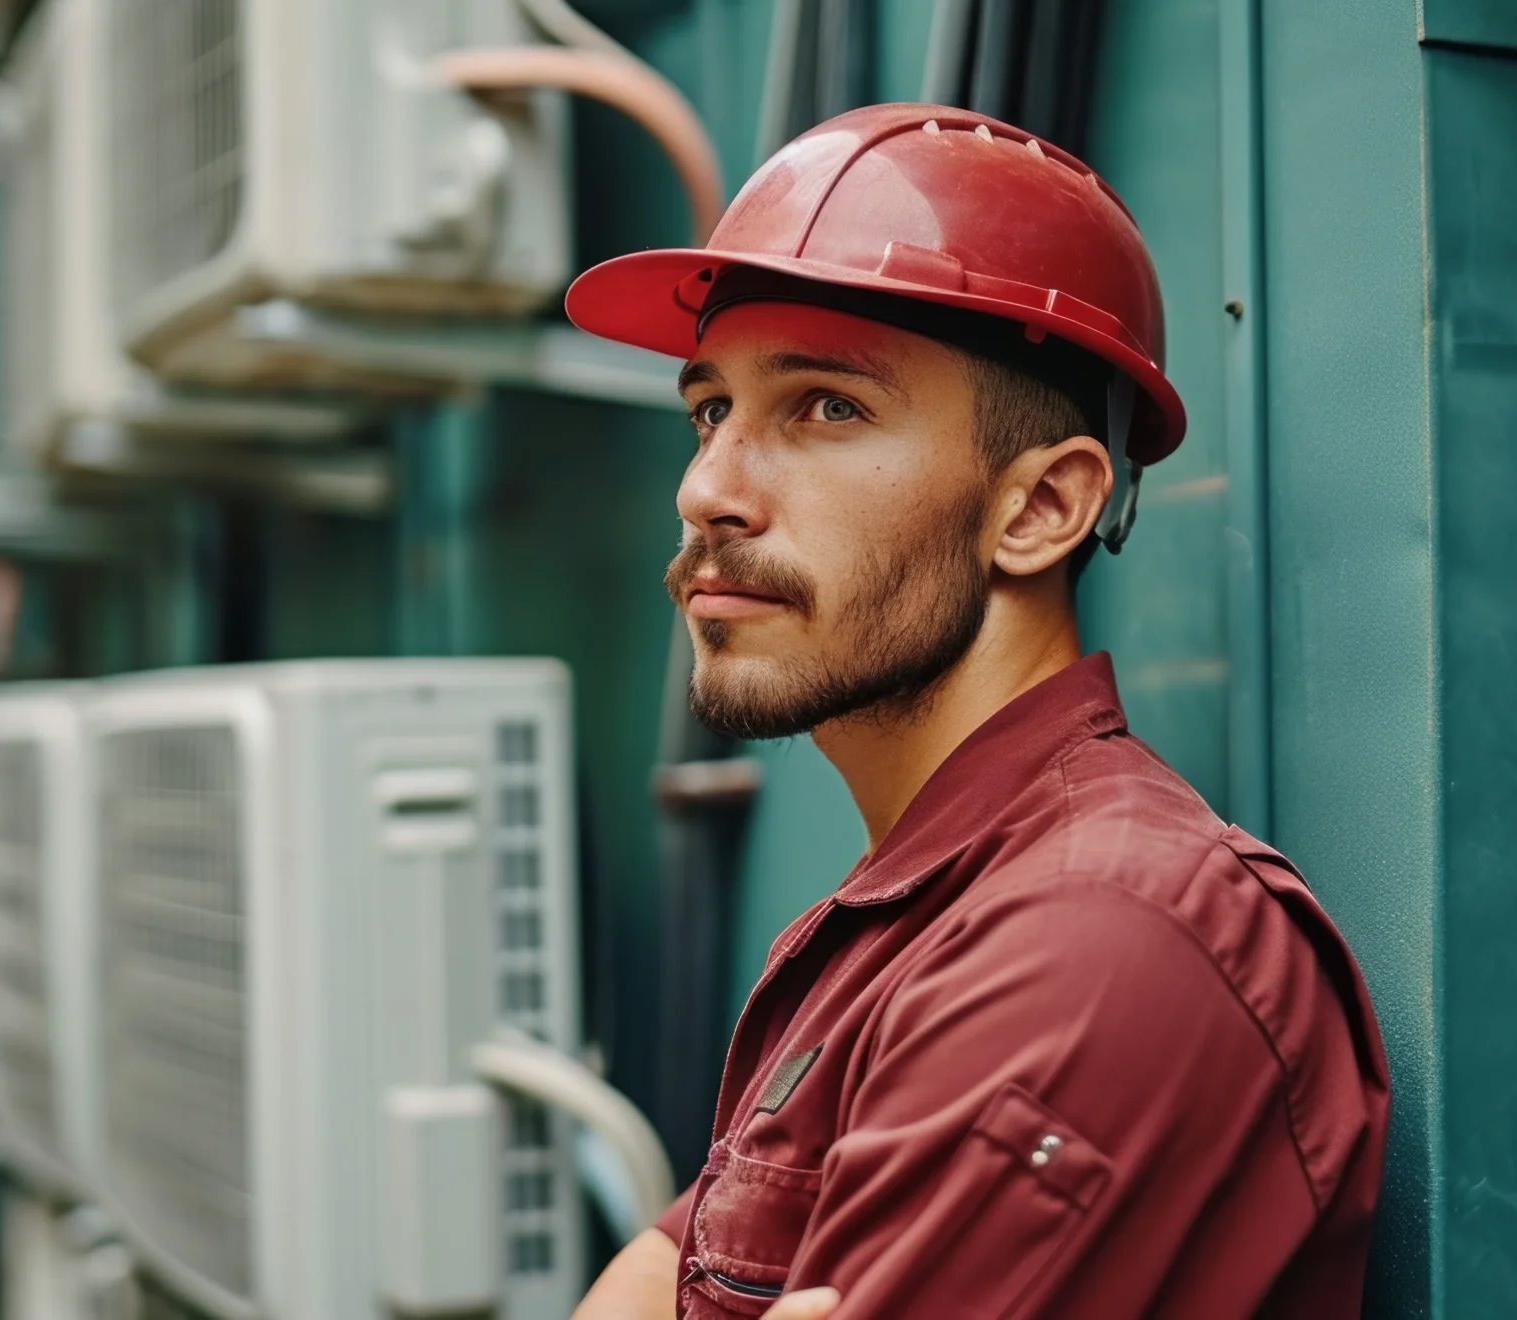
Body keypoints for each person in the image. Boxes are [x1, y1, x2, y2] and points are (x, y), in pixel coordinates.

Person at [562, 105, 1391, 1319]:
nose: (707, 490)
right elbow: (656, 1272)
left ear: (1041, 509)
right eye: (711, 412)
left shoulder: (1095, 937)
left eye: (826, 407)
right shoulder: (921, 917)